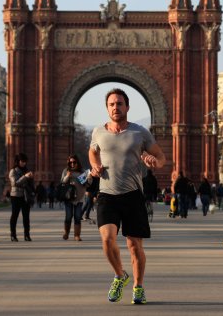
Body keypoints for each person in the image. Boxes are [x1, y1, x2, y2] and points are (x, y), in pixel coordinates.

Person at [89, 88, 166, 305]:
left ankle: (138, 286)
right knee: (107, 239)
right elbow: (92, 151)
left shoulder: (139, 132)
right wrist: (94, 164)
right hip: (107, 194)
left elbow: (161, 157)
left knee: (134, 246)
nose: (116, 107)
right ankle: (120, 275)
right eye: (112, 104)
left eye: (119, 103)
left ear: (127, 107)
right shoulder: (98, 132)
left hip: (132, 195)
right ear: (107, 108)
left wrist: (154, 161)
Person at [61, 154, 92, 241]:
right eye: (70, 162)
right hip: (69, 198)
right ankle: (66, 233)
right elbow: (62, 182)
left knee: (77, 217)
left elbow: (87, 184)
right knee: (68, 216)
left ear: (77, 162)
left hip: (79, 198)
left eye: (74, 162)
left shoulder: (82, 171)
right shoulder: (66, 170)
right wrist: (67, 176)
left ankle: (76, 235)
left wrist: (89, 178)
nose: (72, 164)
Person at [8, 153, 34, 242]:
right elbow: (14, 183)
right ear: (18, 161)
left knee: (26, 216)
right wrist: (25, 177)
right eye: (22, 161)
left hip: (25, 196)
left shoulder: (26, 170)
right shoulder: (13, 171)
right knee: (14, 216)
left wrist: (30, 178)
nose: (24, 163)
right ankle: (13, 235)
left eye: (25, 162)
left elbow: (29, 184)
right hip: (16, 196)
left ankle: (27, 235)